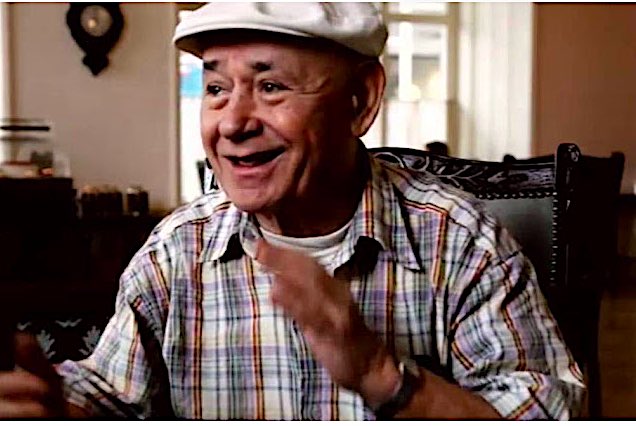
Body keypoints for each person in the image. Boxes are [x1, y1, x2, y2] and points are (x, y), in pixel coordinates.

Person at [0, 2, 584, 420]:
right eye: (216, 89)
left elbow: (546, 414)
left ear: (360, 101)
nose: (232, 123)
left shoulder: (460, 243)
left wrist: (383, 376)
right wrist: (51, 403)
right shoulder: (177, 251)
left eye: (271, 86)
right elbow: (111, 393)